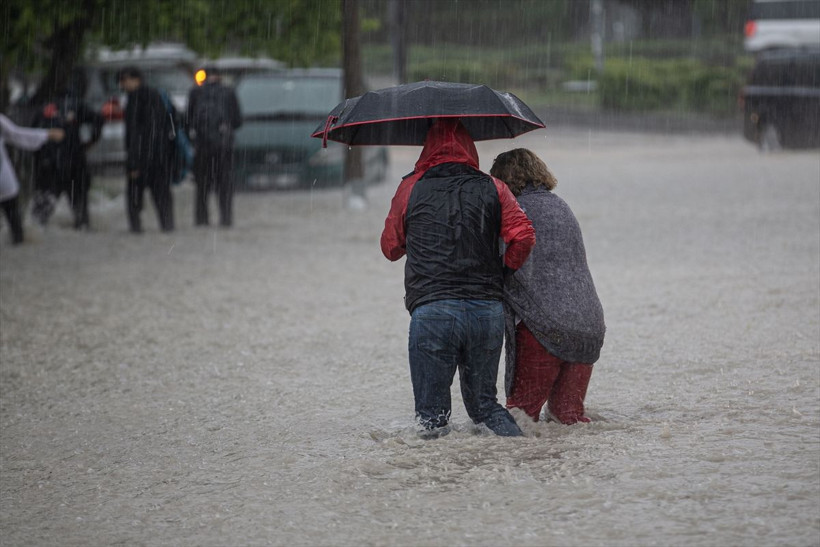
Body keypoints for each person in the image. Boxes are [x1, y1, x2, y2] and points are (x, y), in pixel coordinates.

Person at [380, 119, 536, 438]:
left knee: (431, 418)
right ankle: (524, 464)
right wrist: (501, 272)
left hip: (433, 311)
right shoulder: (494, 186)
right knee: (486, 408)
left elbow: (390, 248)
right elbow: (524, 236)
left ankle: (437, 485)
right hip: (486, 310)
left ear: (426, 148)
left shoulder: (411, 186)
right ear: (470, 147)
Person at [489, 148, 605, 425]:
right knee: (569, 420)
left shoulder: (515, 210)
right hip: (589, 326)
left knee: (520, 420)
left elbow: (498, 261)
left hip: (545, 328)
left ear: (502, 181)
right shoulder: (561, 205)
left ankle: (525, 470)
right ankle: (568, 469)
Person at [30, 73, 104, 229]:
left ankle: (29, 236)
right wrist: (91, 140)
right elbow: (99, 119)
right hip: (74, 163)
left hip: (48, 165)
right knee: (81, 213)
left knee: (39, 215)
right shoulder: (77, 105)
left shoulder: (41, 108)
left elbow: (30, 137)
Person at [116, 66, 175, 233]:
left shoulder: (136, 99)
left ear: (135, 79)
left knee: (134, 202)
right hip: (160, 157)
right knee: (163, 200)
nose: (122, 85)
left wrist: (134, 163)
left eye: (123, 80)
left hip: (144, 160)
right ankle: (168, 230)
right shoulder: (157, 96)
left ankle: (137, 232)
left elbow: (136, 134)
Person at [186, 66, 242, 227]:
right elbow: (238, 121)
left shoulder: (195, 92)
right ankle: (226, 219)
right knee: (224, 186)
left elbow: (188, 121)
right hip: (224, 148)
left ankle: (201, 220)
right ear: (220, 76)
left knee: (202, 187)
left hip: (202, 147)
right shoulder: (229, 92)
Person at [0, 114, 64, 245]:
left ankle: (19, 245)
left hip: (4, 182)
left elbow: (16, 134)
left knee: (16, 229)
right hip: (5, 182)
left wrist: (46, 134)